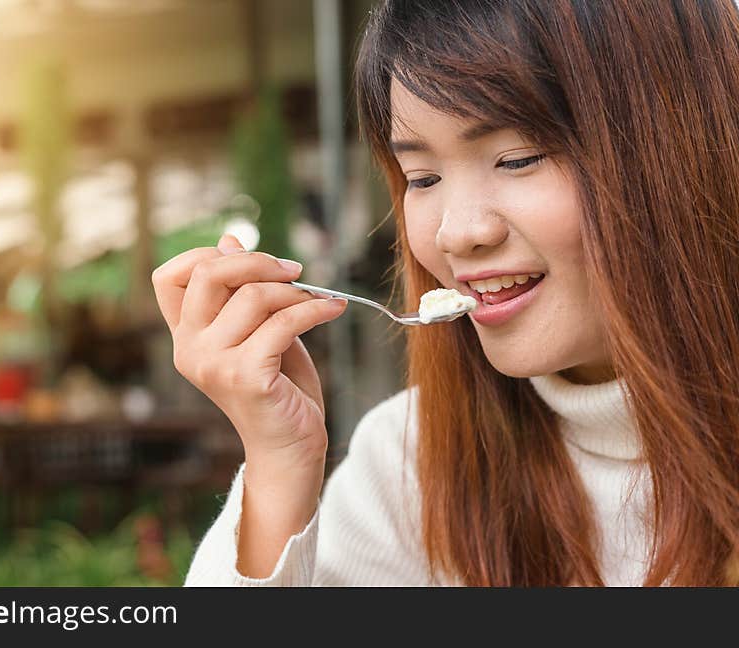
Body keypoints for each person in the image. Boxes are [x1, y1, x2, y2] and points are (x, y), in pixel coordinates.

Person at [151, 0, 739, 586]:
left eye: (517, 159)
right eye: (422, 179)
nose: (455, 233)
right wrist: (280, 468)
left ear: (687, 148)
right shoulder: (412, 461)